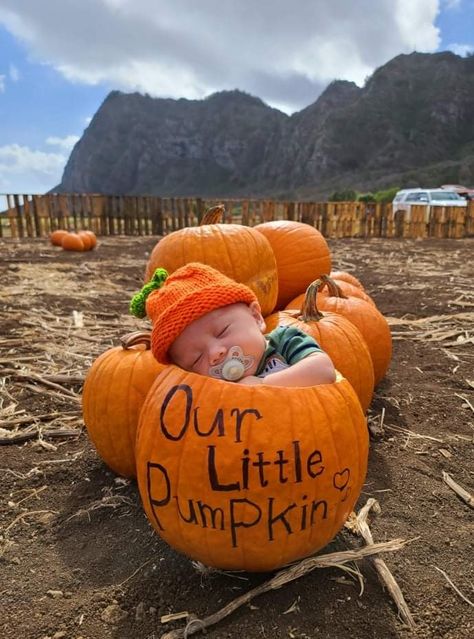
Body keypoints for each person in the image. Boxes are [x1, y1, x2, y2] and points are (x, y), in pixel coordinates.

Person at [130, 263, 336, 387]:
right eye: (196, 359)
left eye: (222, 331)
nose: (215, 353)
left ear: (256, 317)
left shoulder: (285, 341)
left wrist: (263, 385)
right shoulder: (208, 387)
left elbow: (323, 370)